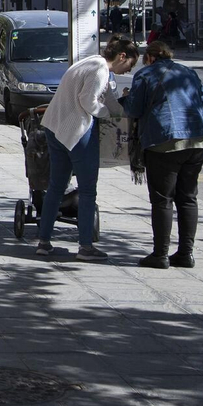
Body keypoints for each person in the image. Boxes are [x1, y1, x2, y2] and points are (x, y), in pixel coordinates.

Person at [36, 37, 141, 260]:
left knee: (56, 186)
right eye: (130, 63)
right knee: (87, 190)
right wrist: (105, 115)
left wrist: (121, 113)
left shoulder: (89, 62)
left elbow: (110, 98)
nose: (129, 69)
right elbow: (88, 101)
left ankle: (43, 242)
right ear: (122, 56)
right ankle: (85, 247)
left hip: (54, 127)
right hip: (77, 132)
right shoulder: (100, 70)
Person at [122, 39, 203, 269]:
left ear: (150, 57)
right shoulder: (188, 72)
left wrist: (126, 96)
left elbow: (133, 109)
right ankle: (185, 254)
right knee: (187, 197)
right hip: (198, 140)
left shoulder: (145, 75)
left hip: (165, 141)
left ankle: (160, 254)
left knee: (162, 199)